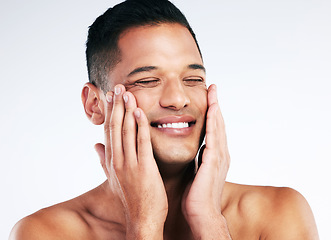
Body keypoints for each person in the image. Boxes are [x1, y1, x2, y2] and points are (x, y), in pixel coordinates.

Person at [10, 0, 319, 239]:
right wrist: (144, 224)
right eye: (147, 81)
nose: (178, 98)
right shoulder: (44, 232)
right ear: (94, 104)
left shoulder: (279, 213)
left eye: (193, 79)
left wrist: (209, 221)